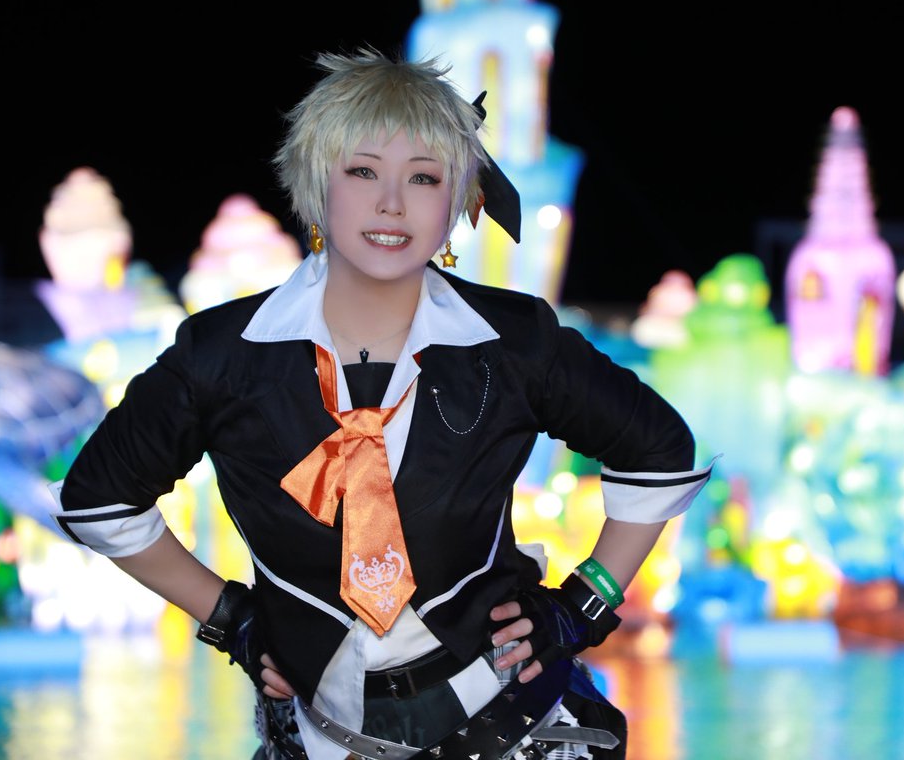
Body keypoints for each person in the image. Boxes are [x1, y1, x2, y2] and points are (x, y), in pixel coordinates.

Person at [52, 47, 714, 760]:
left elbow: (660, 452)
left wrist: (581, 606)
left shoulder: (515, 341)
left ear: (460, 200)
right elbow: (100, 501)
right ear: (316, 184)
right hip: (319, 737)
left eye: (424, 177)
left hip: (512, 721)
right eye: (362, 171)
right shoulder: (221, 355)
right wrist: (231, 618)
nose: (392, 203)